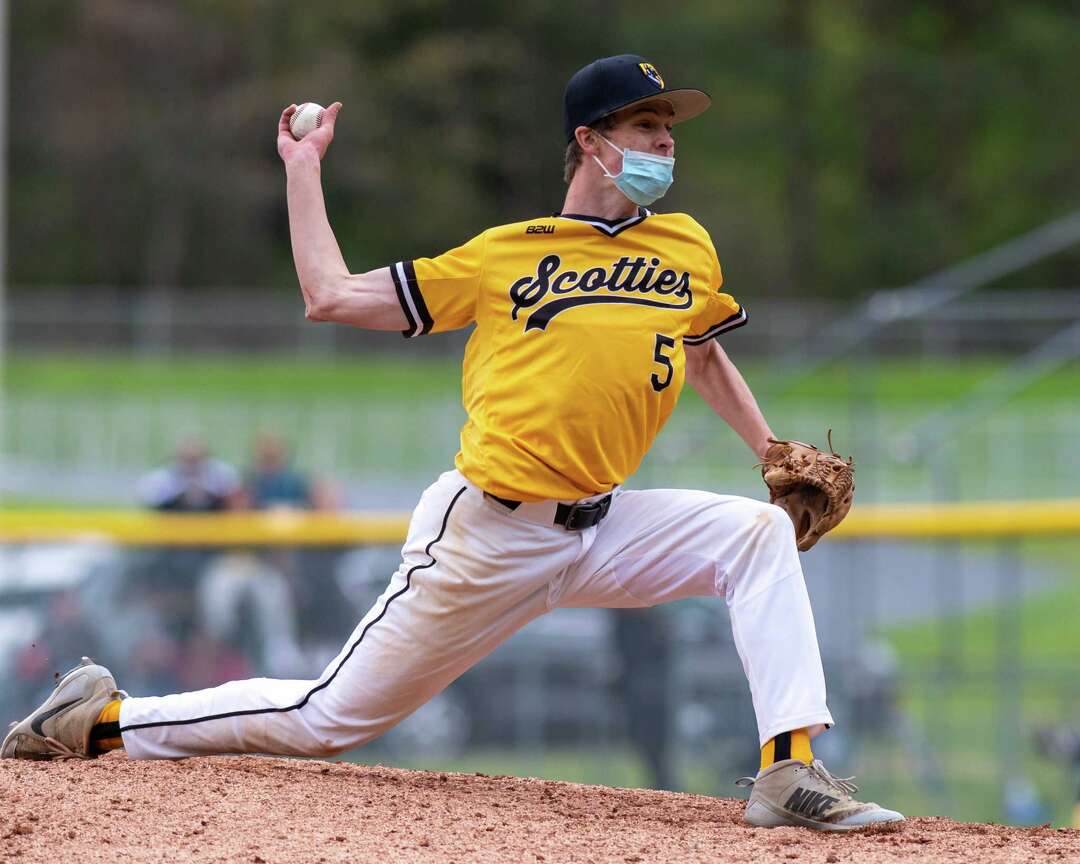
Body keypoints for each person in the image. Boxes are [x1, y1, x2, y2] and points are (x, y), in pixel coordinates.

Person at [3, 54, 902, 831]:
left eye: (670, 128)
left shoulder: (686, 247)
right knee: (328, 718)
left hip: (605, 525)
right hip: (488, 531)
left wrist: (768, 448)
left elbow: (702, 352)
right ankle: (104, 717)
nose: (667, 144)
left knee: (757, 535)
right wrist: (302, 170)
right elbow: (330, 295)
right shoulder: (504, 254)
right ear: (592, 141)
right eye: (647, 125)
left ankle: (788, 770)